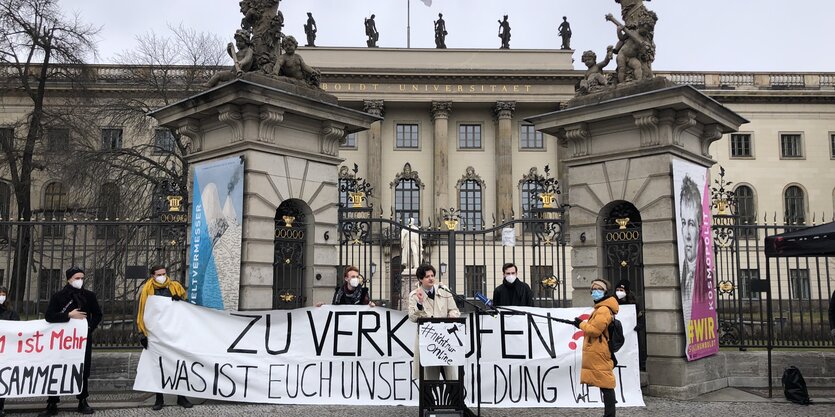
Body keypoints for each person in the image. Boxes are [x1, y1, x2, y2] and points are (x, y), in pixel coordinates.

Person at [39, 267, 102, 416]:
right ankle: (52, 402)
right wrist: (69, 315)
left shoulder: (89, 296)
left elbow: (98, 314)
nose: (80, 281)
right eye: (77, 278)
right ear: (69, 279)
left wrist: (88, 328)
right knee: (57, 368)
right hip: (62, 341)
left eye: (82, 278)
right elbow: (49, 316)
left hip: (82, 340)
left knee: (82, 369)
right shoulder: (58, 296)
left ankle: (82, 401)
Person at [136, 265, 193, 411]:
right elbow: (142, 312)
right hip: (156, 334)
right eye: (159, 274)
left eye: (164, 273)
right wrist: (142, 333)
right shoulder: (147, 290)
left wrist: (180, 300)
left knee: (178, 364)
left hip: (174, 333)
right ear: (152, 276)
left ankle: (181, 397)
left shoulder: (175, 287)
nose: (162, 276)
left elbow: (188, 308)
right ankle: (159, 398)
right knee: (157, 366)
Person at [573, 279, 619, 417]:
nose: (595, 291)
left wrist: (581, 324)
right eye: (593, 289)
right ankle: (609, 413)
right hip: (597, 350)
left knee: (606, 383)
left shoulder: (603, 309)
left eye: (599, 289)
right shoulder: (600, 308)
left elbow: (594, 331)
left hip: (600, 350)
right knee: (604, 382)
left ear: (605, 291)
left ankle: (610, 414)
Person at [408, 264, 460, 381]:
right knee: (429, 379)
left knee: (451, 377)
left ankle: (454, 399)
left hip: (445, 340)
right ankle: (430, 399)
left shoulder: (444, 291)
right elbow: (412, 317)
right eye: (427, 276)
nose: (431, 278)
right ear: (421, 279)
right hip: (428, 342)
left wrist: (452, 315)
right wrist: (420, 304)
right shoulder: (414, 295)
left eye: (432, 275)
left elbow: (454, 310)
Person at [679, 175, 703, 334]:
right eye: (683, 223)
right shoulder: (682, 273)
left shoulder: (703, 275)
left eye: (692, 224)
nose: (687, 233)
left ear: (700, 227)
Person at [615, 279, 646, 369]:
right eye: (617, 290)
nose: (619, 292)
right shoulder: (613, 302)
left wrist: (639, 325)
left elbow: (640, 317)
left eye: (621, 290)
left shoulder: (633, 304)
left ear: (626, 291)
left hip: (631, 334)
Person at [0, 287, 20, 417]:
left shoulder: (11, 313)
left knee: (2, 379)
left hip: (5, 352)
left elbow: (18, 330)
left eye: (3, 294)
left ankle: (0, 407)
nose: (1, 296)